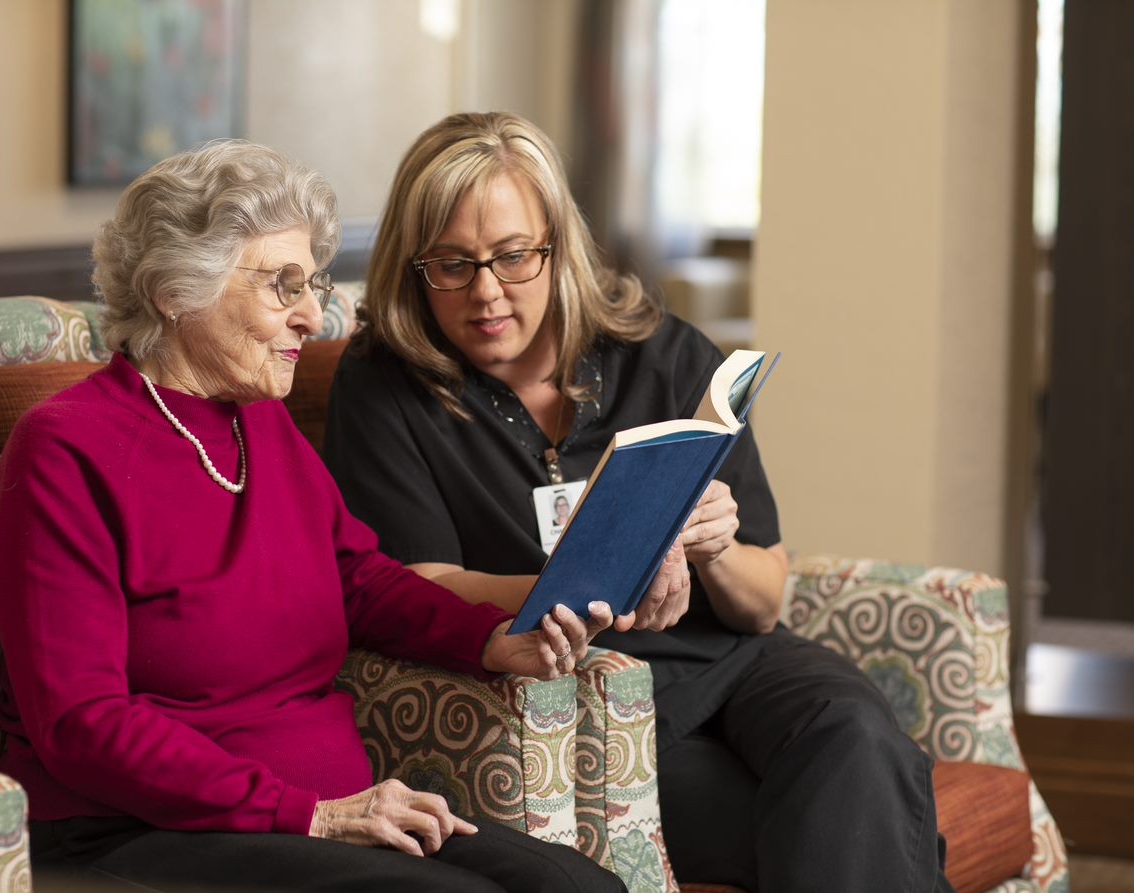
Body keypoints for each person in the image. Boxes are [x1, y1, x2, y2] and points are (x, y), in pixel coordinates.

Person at [323, 112, 953, 892]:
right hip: (601, 706)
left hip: (741, 662)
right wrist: (589, 580)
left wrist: (714, 549)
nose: (485, 292)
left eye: (513, 256)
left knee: (857, 737)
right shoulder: (385, 386)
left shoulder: (663, 351)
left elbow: (763, 603)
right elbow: (416, 580)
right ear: (413, 267)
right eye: (451, 264)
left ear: (557, 246)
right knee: (852, 815)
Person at [0, 140, 627, 893]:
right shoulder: (66, 449)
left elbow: (359, 581)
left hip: (321, 818)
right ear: (173, 289)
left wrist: (488, 641)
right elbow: (81, 723)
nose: (312, 316)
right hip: (139, 828)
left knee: (582, 887)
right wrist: (309, 812)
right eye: (281, 285)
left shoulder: (257, 423)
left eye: (311, 283)